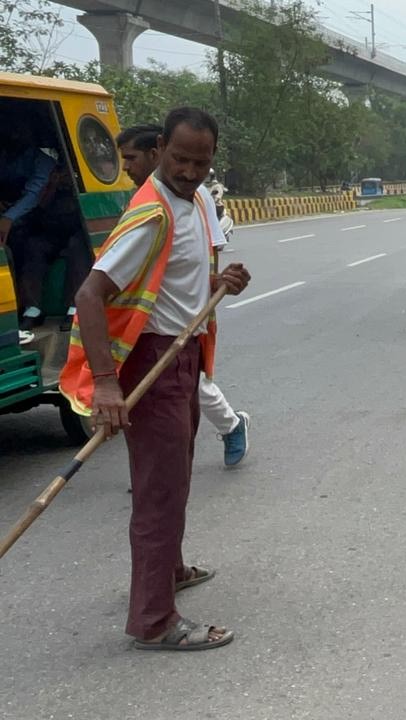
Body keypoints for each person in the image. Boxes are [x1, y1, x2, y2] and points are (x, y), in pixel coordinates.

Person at [61, 107, 251, 651]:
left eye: (202, 161)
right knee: (159, 493)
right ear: (161, 147)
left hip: (180, 357)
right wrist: (104, 384)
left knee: (176, 476)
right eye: (180, 158)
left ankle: (171, 570)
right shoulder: (153, 214)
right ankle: (154, 620)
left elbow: (178, 279)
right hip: (151, 364)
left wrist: (221, 281)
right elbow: (88, 296)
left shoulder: (191, 202)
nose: (190, 170)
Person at [117, 124, 251, 467]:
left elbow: (207, 247)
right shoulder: (146, 197)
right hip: (146, 322)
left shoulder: (193, 196)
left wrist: (211, 291)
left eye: (131, 158)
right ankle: (156, 467)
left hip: (180, 320)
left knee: (188, 385)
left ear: (155, 152)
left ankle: (231, 424)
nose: (126, 167)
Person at [0, 121, 91, 332]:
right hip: (49, 227)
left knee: (78, 249)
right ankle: (32, 308)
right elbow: (37, 197)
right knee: (33, 246)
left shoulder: (50, 165)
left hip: (76, 228)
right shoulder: (25, 165)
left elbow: (33, 194)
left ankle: (74, 308)